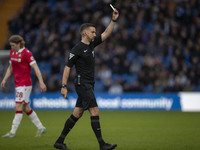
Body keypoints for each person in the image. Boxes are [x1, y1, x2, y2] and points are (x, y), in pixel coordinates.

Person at [54, 9, 119, 150]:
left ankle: (59, 142)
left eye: (95, 32)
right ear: (84, 33)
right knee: (95, 111)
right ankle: (102, 145)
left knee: (77, 113)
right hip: (82, 83)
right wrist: (64, 86)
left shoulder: (91, 45)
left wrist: (113, 20)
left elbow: (106, 34)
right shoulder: (76, 49)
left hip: (89, 83)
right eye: (93, 32)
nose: (95, 34)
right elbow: (67, 68)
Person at [1, 35, 47, 138]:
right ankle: (41, 127)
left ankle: (12, 132)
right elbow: (10, 68)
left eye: (13, 45)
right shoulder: (12, 52)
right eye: (11, 46)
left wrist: (41, 82)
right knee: (26, 108)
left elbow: (36, 68)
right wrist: (4, 79)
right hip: (18, 84)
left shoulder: (27, 53)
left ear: (18, 44)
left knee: (18, 106)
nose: (12, 47)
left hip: (25, 84)